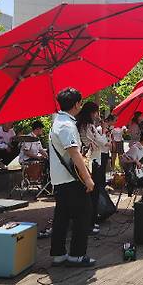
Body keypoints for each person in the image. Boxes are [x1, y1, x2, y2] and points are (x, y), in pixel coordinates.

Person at [48, 87, 95, 268]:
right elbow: (74, 154)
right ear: (76, 104)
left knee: (62, 218)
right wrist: (88, 178)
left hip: (60, 180)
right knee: (83, 215)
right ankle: (77, 255)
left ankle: (58, 254)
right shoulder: (67, 125)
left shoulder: (57, 122)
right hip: (71, 180)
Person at [77, 102, 109, 235]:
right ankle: (91, 220)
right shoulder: (88, 126)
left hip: (86, 161)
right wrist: (105, 132)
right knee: (93, 192)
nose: (97, 115)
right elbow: (101, 142)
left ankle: (89, 220)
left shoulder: (80, 125)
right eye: (96, 112)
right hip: (92, 161)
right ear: (91, 112)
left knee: (88, 192)